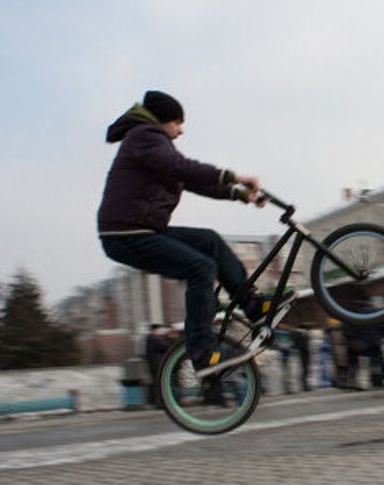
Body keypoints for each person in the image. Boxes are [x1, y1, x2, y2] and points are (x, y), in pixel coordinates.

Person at [97, 91, 279, 373]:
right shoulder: (144, 137)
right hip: (125, 235)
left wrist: (242, 195)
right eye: (177, 123)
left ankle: (252, 304)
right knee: (200, 268)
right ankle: (202, 353)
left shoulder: (155, 146)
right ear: (163, 120)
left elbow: (191, 179)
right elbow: (182, 167)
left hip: (142, 230)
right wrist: (235, 176)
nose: (181, 130)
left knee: (209, 241)